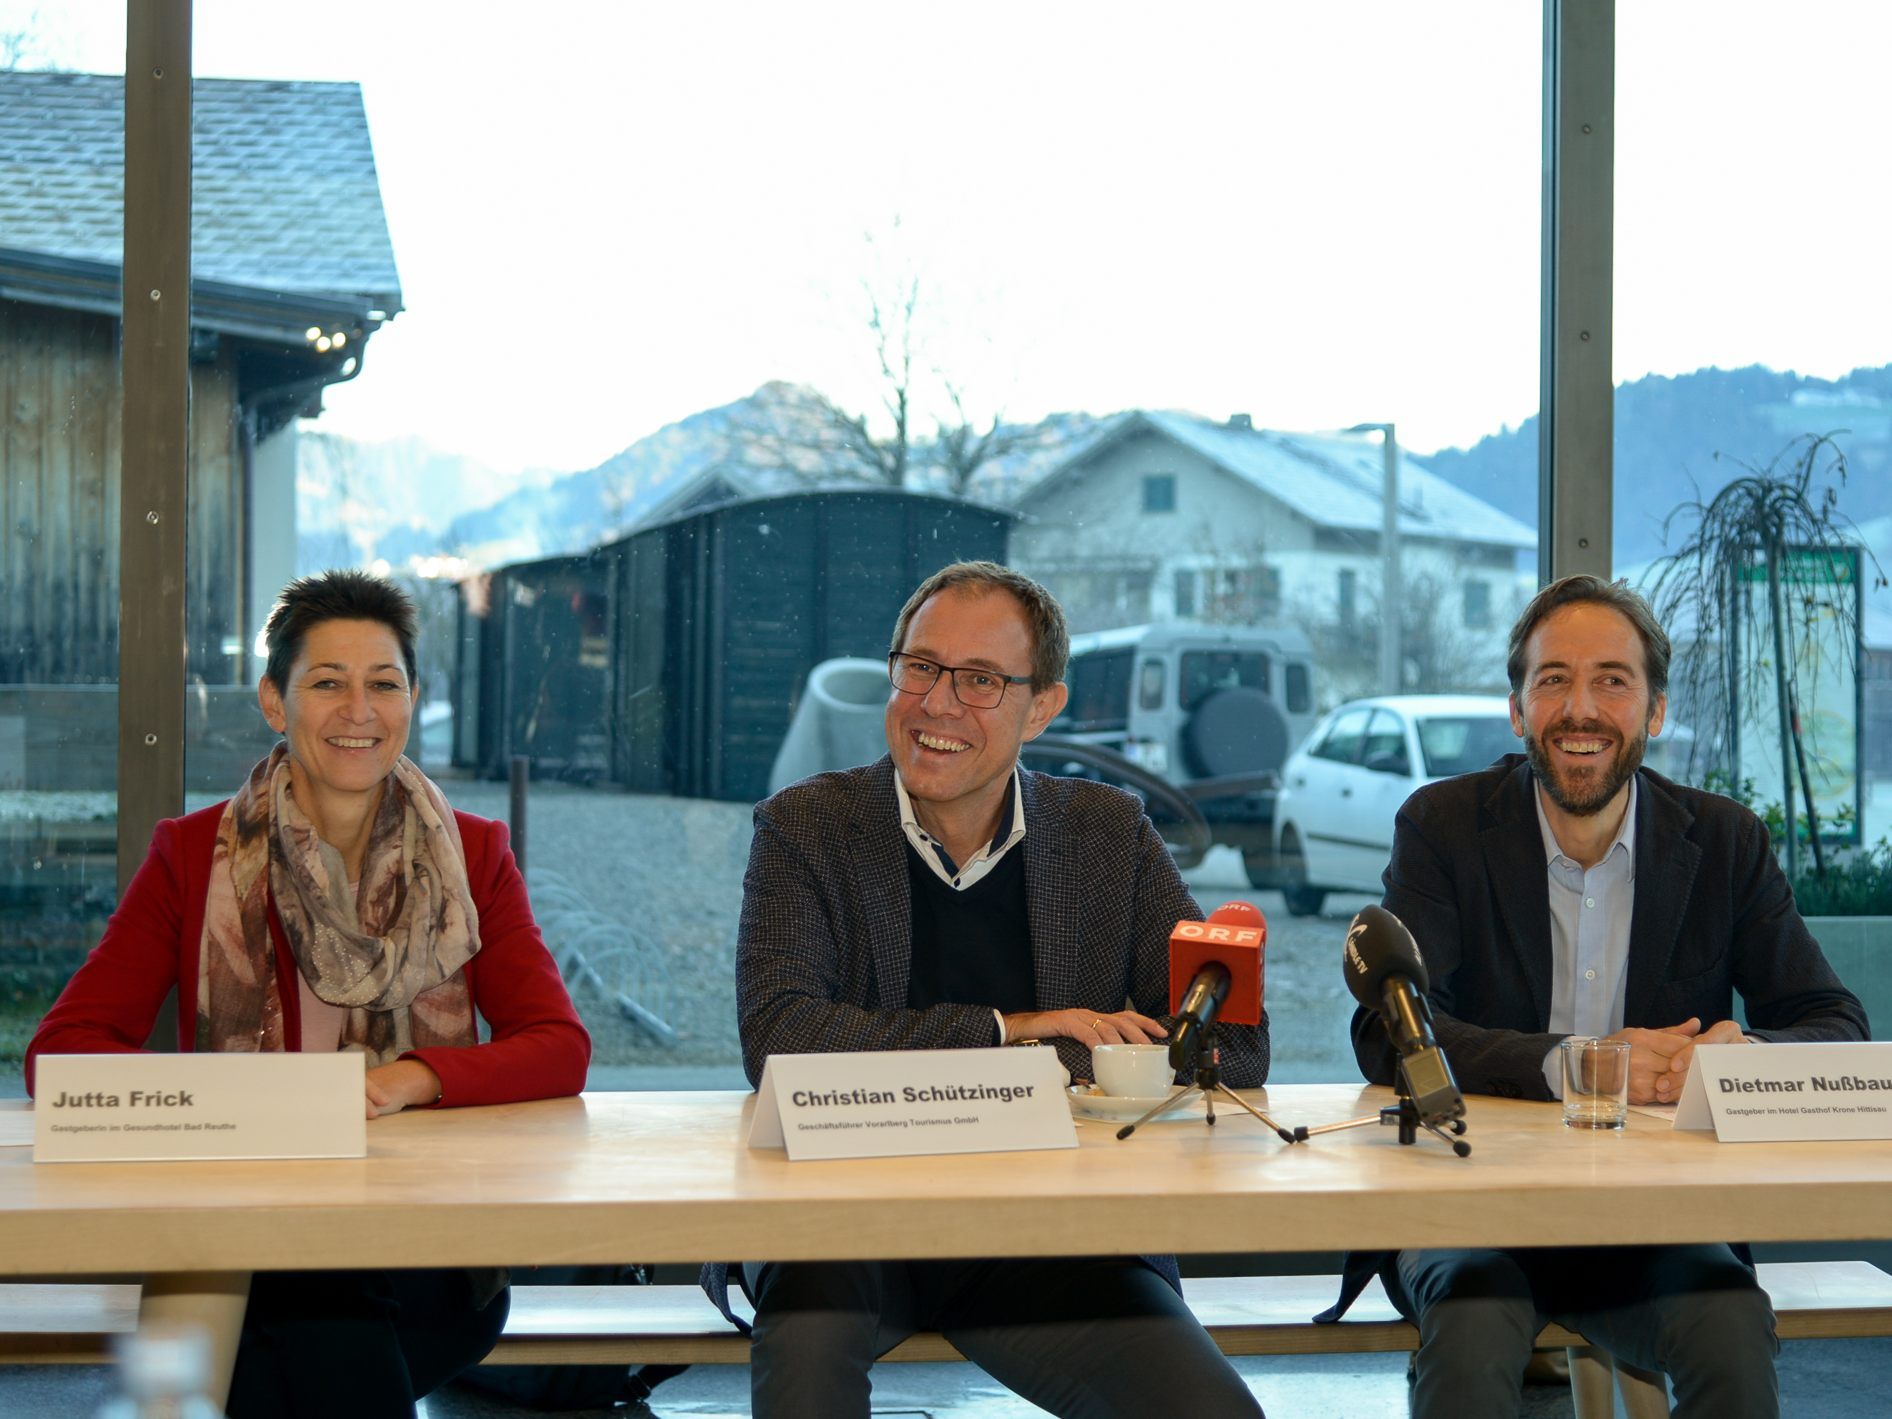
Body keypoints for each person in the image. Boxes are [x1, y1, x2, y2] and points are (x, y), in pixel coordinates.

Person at [704, 560, 1268, 1419]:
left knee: (1214, 1413)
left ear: (1041, 705)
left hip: (1052, 1236)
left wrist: (1040, 1049)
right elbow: (780, 1040)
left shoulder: (1106, 833)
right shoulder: (805, 827)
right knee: (807, 1384)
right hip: (840, 1224)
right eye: (920, 666)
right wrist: (1017, 1031)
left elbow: (1234, 1040)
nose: (936, 703)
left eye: (979, 680)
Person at [27, 570, 592, 1419]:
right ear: (274, 701)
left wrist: (411, 1077)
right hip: (240, 1231)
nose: (359, 710)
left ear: (411, 701)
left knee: (292, 1319)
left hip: (427, 1250)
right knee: (308, 1323)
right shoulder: (192, 854)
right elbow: (61, 1052)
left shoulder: (473, 856)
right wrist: (246, 1108)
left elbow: (558, 1043)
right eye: (327, 682)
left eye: (384, 684)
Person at [1341, 573, 1868, 1419]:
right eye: (1553, 680)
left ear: (1654, 711)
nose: (1580, 709)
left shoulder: (1725, 842)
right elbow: (1390, 1030)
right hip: (1474, 1203)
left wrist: (1745, 1059)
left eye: (1612, 682)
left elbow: (1836, 1023)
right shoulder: (1441, 825)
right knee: (1472, 1334)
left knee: (1732, 1325)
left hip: (1656, 1217)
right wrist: (1579, 1064)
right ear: (1517, 710)